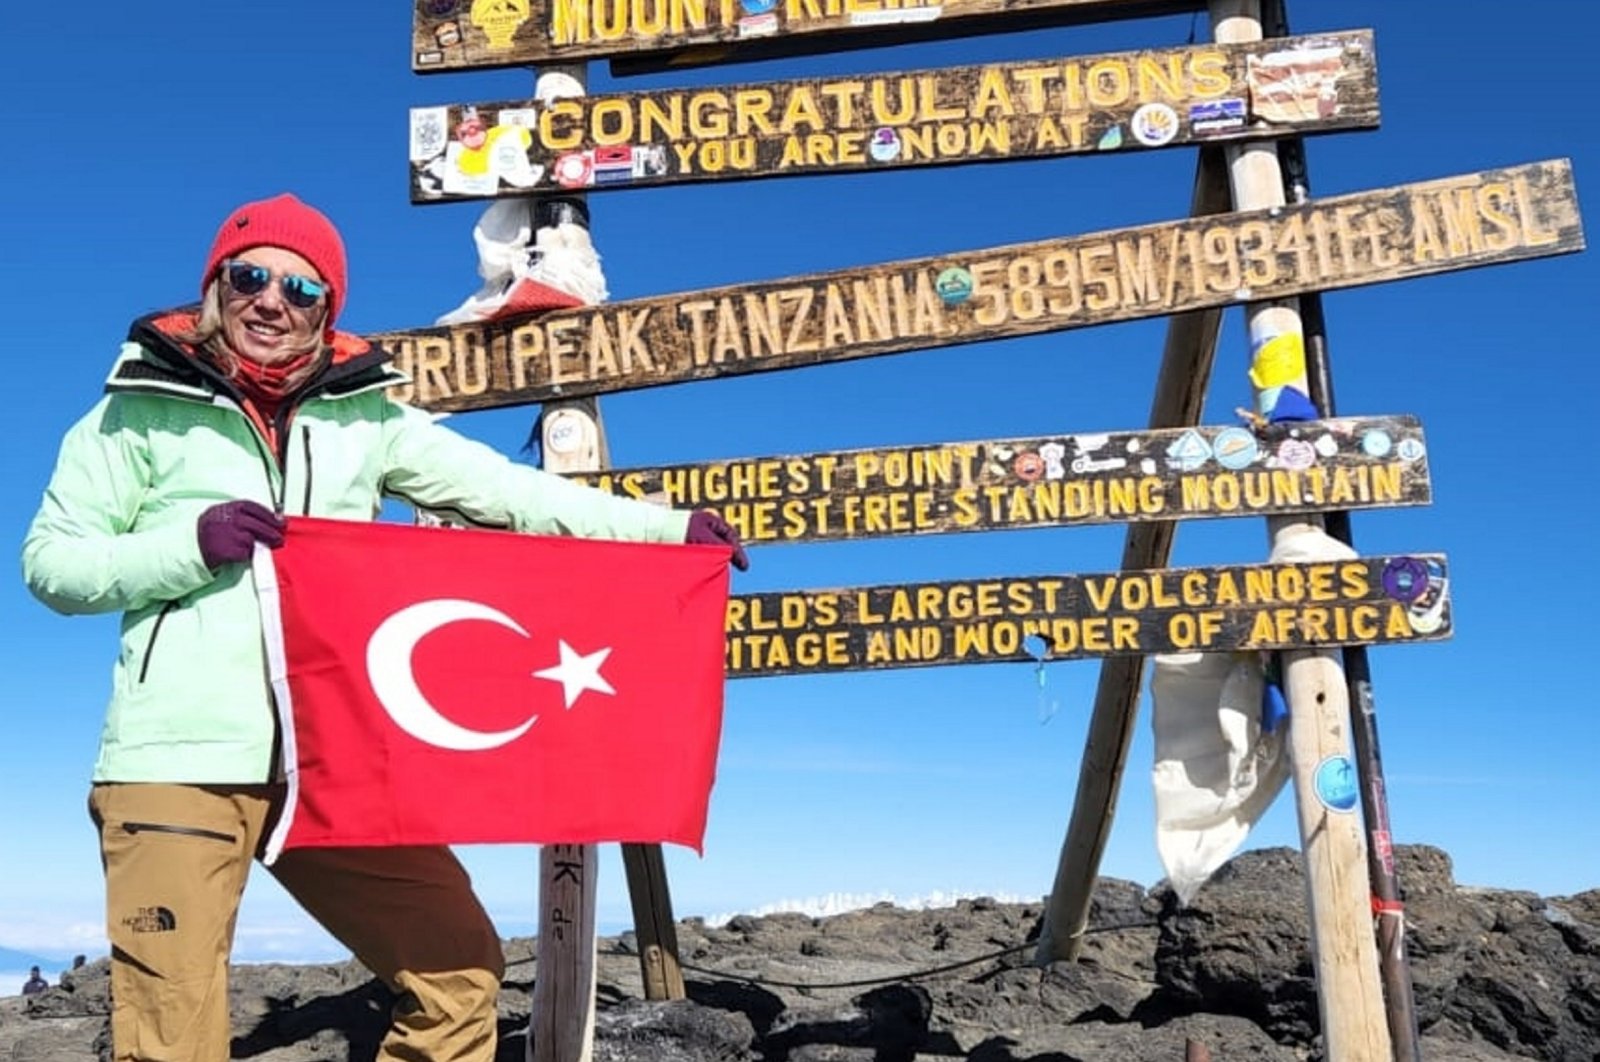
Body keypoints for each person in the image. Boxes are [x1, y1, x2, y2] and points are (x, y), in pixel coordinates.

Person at [21, 193, 747, 1062]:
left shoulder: (367, 419)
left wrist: (664, 533)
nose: (272, 301)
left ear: (329, 309)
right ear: (215, 286)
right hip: (173, 764)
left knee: (459, 972)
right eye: (250, 277)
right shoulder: (135, 413)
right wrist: (189, 545)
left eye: (302, 288)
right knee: (172, 1034)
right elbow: (52, 566)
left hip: (334, 756)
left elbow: (511, 495)